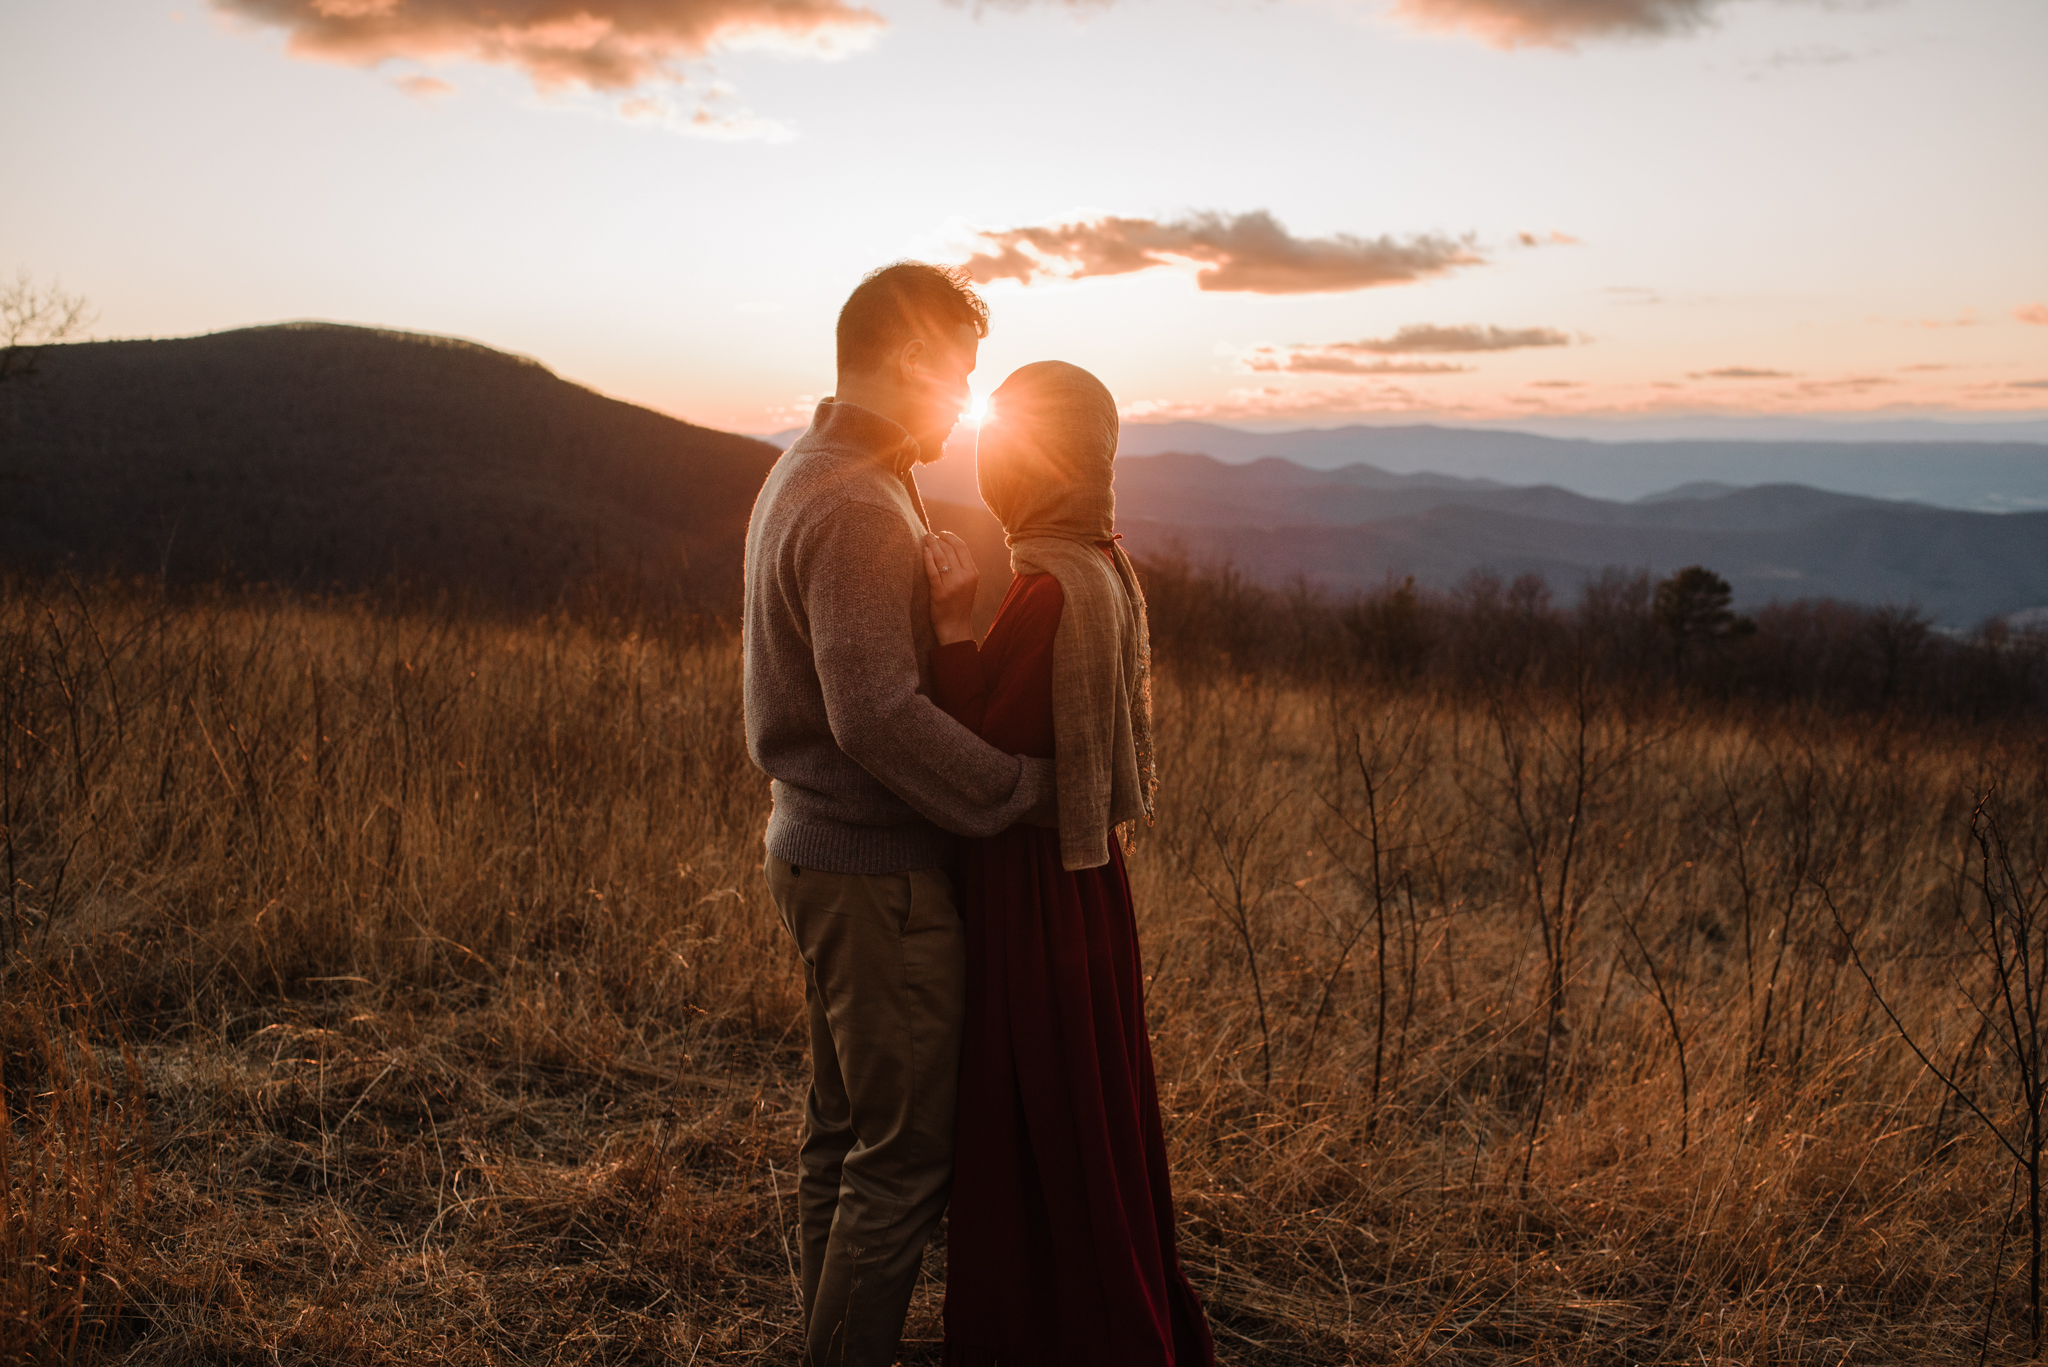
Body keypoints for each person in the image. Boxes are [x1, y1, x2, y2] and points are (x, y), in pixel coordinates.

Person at [742, 262, 1056, 1367]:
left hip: (816, 856)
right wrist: (1015, 791)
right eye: (959, 375)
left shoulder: (810, 470)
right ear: (913, 356)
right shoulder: (856, 502)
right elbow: (873, 713)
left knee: (843, 1133)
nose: (963, 405)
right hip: (874, 879)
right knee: (905, 1158)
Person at [919, 361, 1217, 1366]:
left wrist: (953, 626)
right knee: (1087, 1112)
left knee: (1039, 1116)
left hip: (1034, 893)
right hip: (1087, 883)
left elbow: (979, 764)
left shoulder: (1049, 591)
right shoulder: (1102, 563)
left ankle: (1053, 1331)